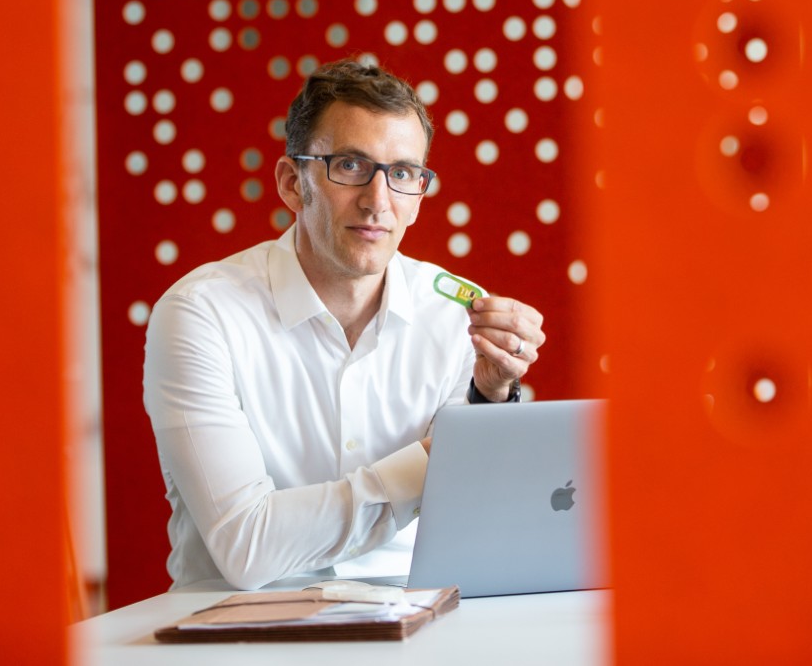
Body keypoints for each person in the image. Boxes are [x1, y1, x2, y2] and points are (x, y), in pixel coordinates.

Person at [142, 58, 546, 590]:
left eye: (402, 174)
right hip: (241, 622)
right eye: (351, 165)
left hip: (419, 611)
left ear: (419, 197)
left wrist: (489, 402)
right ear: (293, 183)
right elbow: (246, 547)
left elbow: (478, 521)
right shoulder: (201, 314)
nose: (378, 201)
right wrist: (450, 456)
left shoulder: (455, 316)